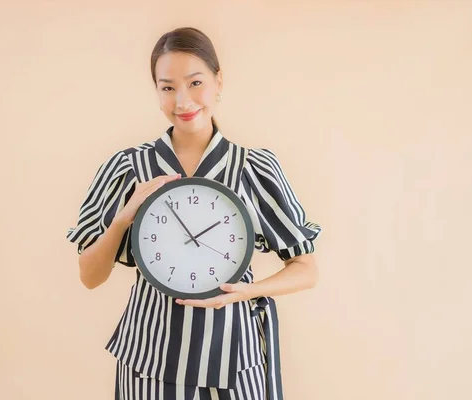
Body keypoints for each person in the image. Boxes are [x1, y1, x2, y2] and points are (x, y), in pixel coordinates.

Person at [66, 27, 322, 400]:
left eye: (195, 82)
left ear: (219, 81)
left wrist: (245, 292)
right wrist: (124, 216)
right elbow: (90, 276)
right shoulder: (128, 166)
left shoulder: (252, 167)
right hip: (147, 361)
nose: (182, 101)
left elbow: (307, 268)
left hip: (235, 359)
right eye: (167, 87)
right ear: (155, 91)